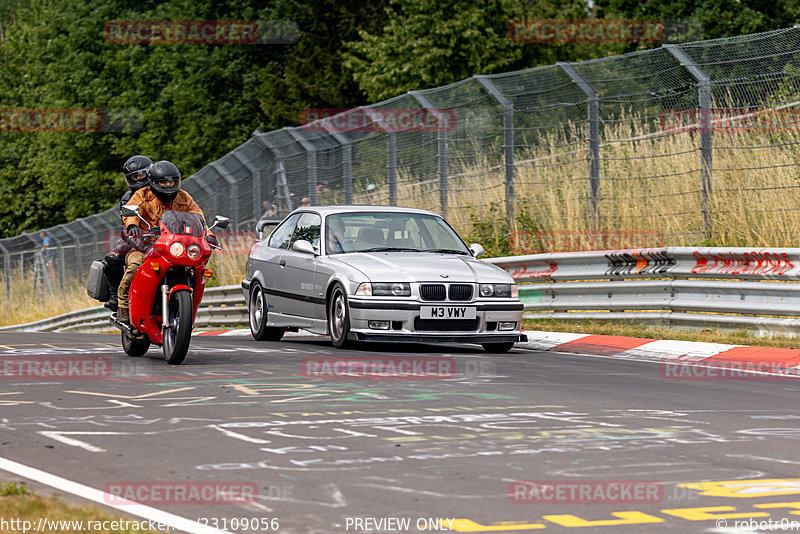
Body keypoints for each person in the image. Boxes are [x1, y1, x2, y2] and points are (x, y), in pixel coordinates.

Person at [116, 160, 218, 325]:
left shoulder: (184, 197)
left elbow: (199, 217)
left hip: (174, 246)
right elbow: (130, 210)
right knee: (136, 265)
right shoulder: (141, 194)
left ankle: (183, 309)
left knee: (196, 269)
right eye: (163, 181)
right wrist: (133, 225)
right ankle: (123, 307)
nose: (168, 184)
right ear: (153, 182)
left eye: (171, 181)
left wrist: (209, 234)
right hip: (143, 245)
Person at [103, 155, 152, 311]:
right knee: (112, 258)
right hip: (135, 235)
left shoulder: (162, 190)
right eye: (133, 176)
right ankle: (116, 298)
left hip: (164, 235)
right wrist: (133, 230)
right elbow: (127, 220)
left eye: (141, 174)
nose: (137, 179)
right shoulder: (128, 198)